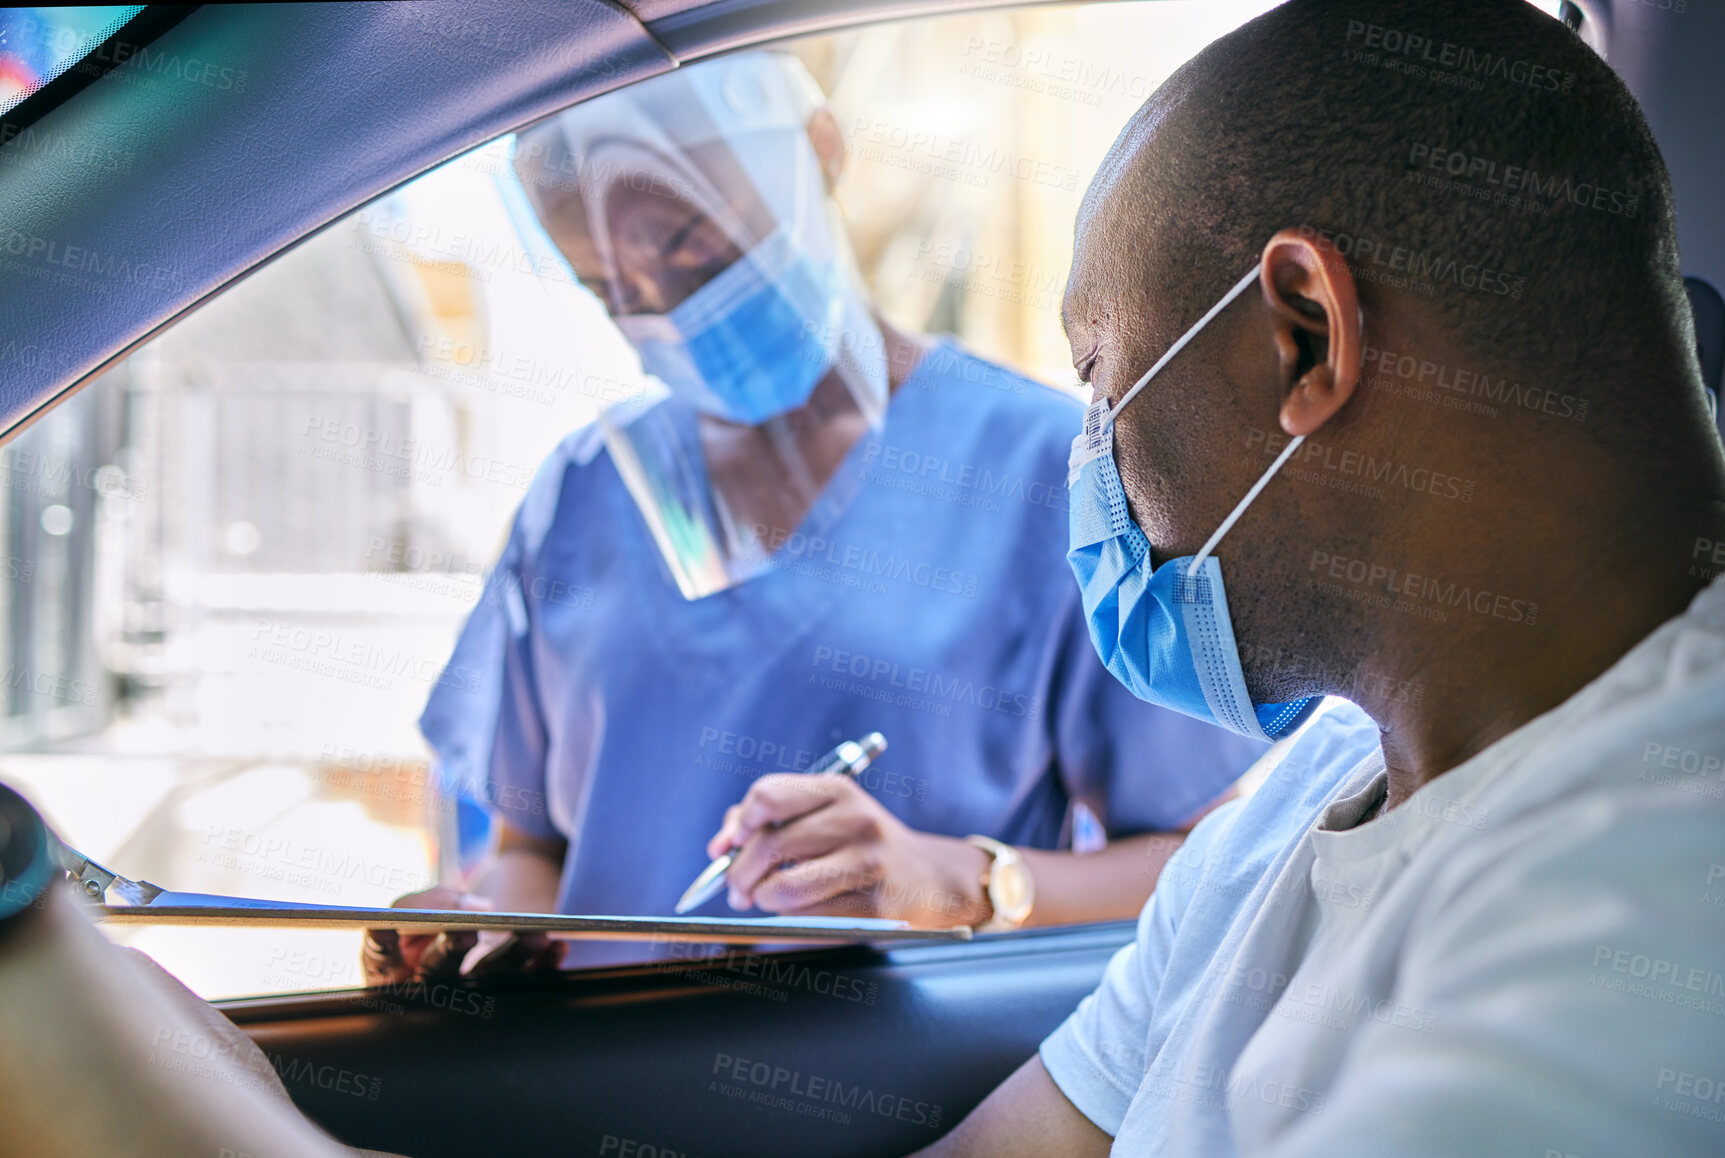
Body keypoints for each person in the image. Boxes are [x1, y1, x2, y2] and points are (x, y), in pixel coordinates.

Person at [917, 0, 1725, 1154]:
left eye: (1104, 383)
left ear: (1304, 335)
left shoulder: (1655, 891)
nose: (1094, 460)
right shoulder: (1313, 792)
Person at [367, 52, 1270, 981]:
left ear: (819, 148)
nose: (670, 316)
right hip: (598, 1082)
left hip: (907, 1099)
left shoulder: (1045, 469)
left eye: (698, 251)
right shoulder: (584, 490)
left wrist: (960, 882)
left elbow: (1200, 869)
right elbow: (534, 850)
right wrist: (474, 926)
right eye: (614, 292)